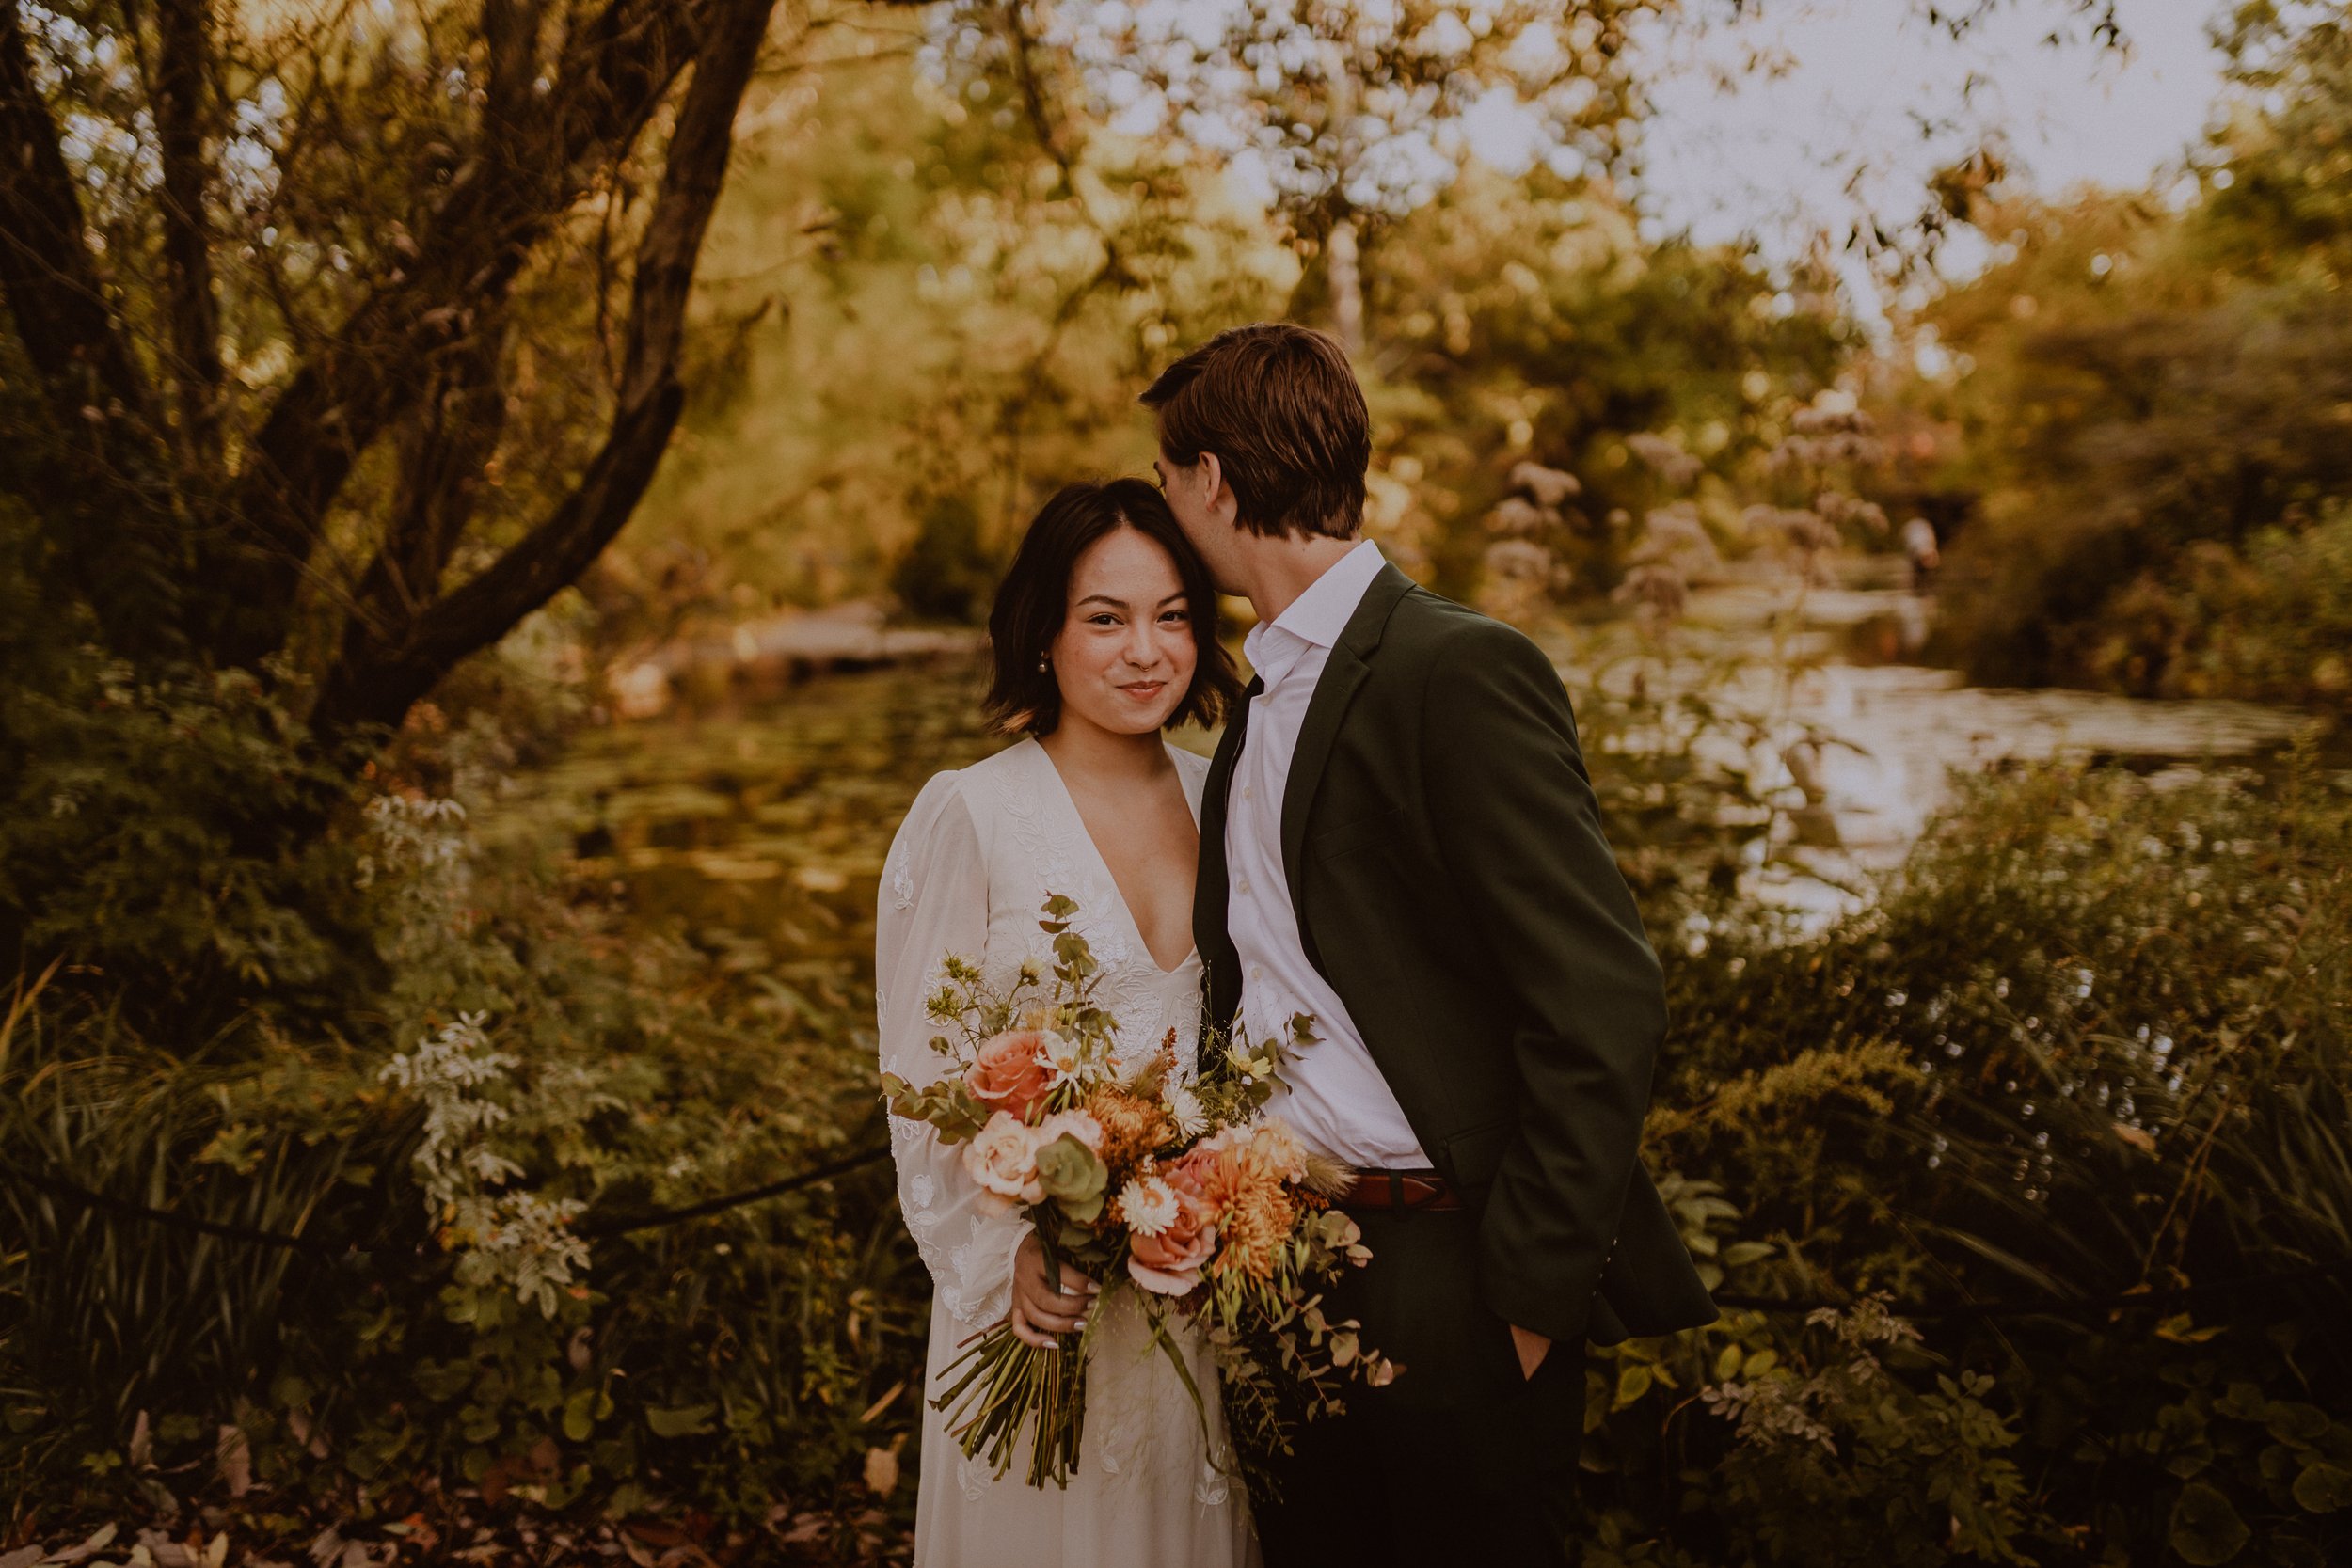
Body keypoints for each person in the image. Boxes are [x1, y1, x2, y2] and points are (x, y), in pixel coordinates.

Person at [1145, 324, 1719, 1567]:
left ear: (1215, 483)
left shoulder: (1455, 667)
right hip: (1284, 1259)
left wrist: (1524, 1295)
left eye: (1167, 476)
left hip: (1452, 1269)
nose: (1168, 505)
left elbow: (1603, 998)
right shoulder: (1261, 698)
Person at [876, 478, 1254, 1568]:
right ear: (1042, 630)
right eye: (1106, 616)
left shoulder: (1223, 794)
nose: (1146, 649)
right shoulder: (972, 811)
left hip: (1189, 1295)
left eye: (1173, 614)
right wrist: (1012, 1257)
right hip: (1034, 1302)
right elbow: (922, 1081)